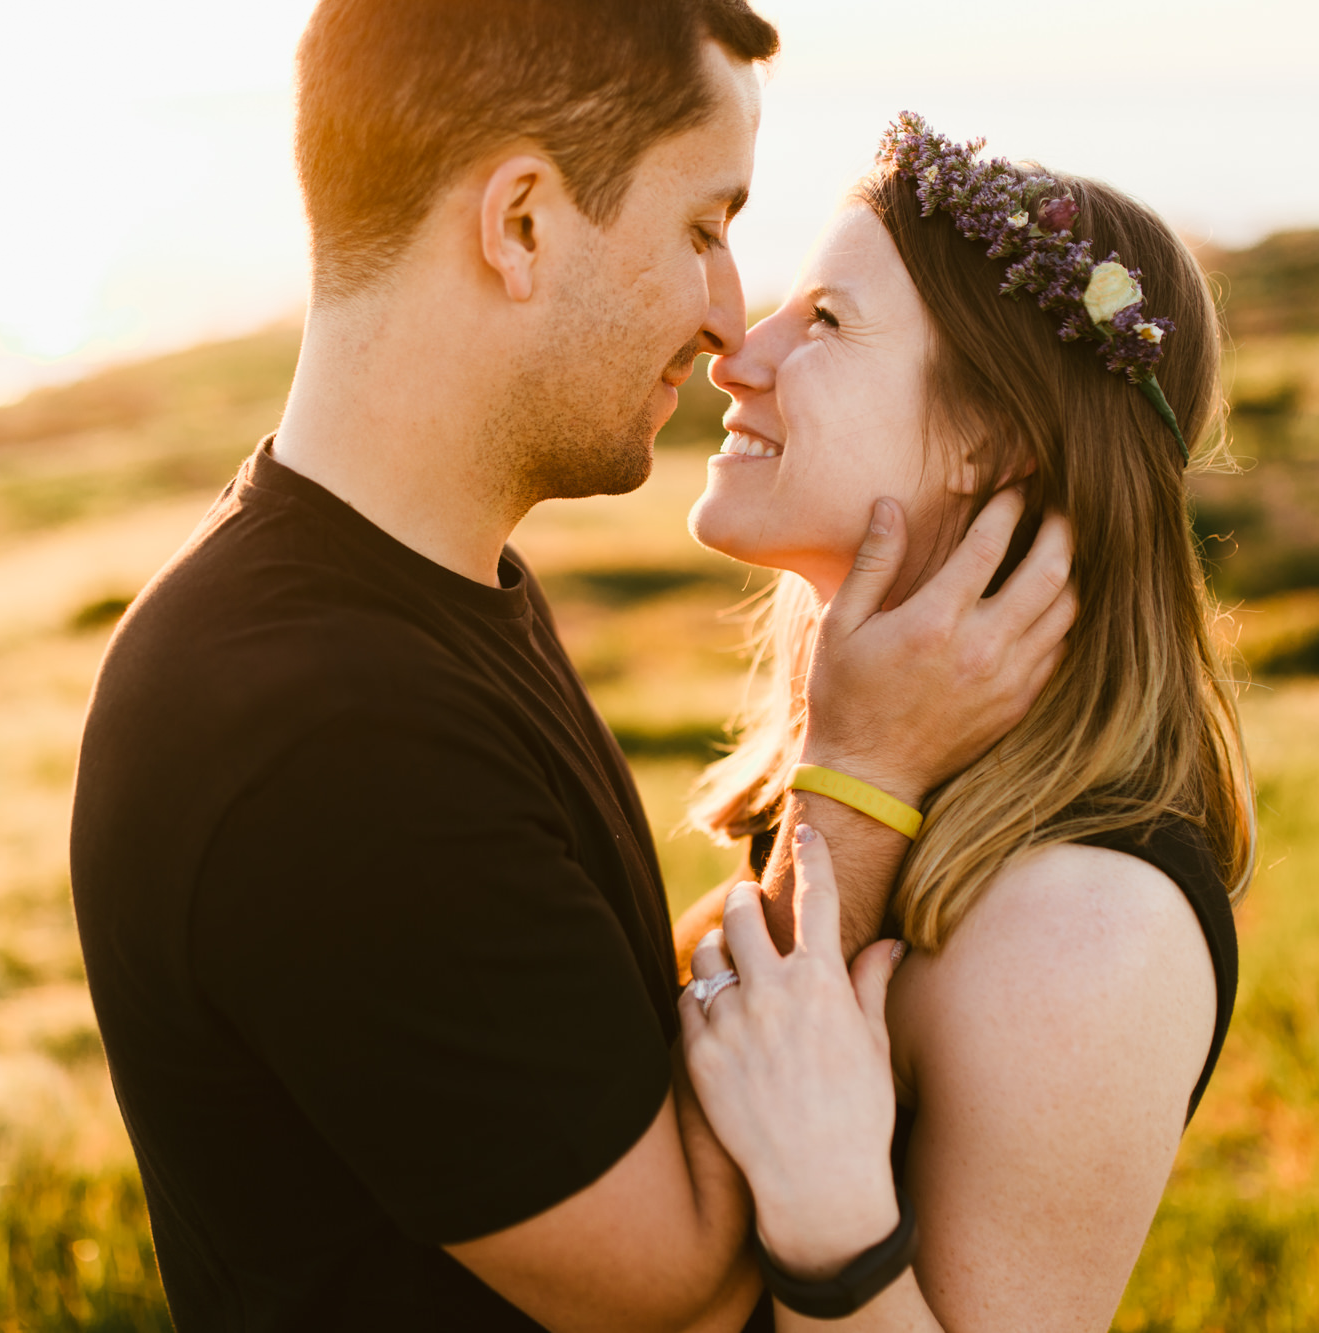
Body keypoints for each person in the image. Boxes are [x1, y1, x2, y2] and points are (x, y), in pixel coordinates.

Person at [68, 7, 1076, 1329]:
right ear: (522, 224)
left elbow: (574, 1038)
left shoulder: (425, 595)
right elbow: (679, 1285)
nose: (728, 320)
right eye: (704, 229)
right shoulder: (323, 733)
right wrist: (863, 779)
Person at [674, 116, 1256, 1330]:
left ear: (989, 436)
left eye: (824, 322)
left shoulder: (1086, 926)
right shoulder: (863, 778)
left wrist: (830, 1211)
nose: (736, 351)